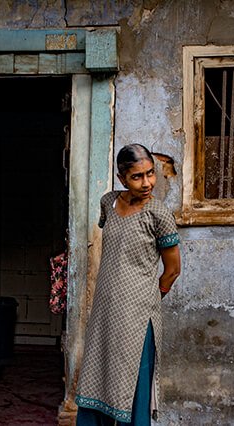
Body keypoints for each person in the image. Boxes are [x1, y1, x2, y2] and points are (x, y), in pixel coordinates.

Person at [75, 143, 182, 425]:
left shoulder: (159, 215)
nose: (147, 183)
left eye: (150, 174)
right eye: (137, 176)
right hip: (105, 310)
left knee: (132, 383)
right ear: (122, 178)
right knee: (98, 373)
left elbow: (172, 271)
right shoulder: (108, 202)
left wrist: (148, 297)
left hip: (138, 315)